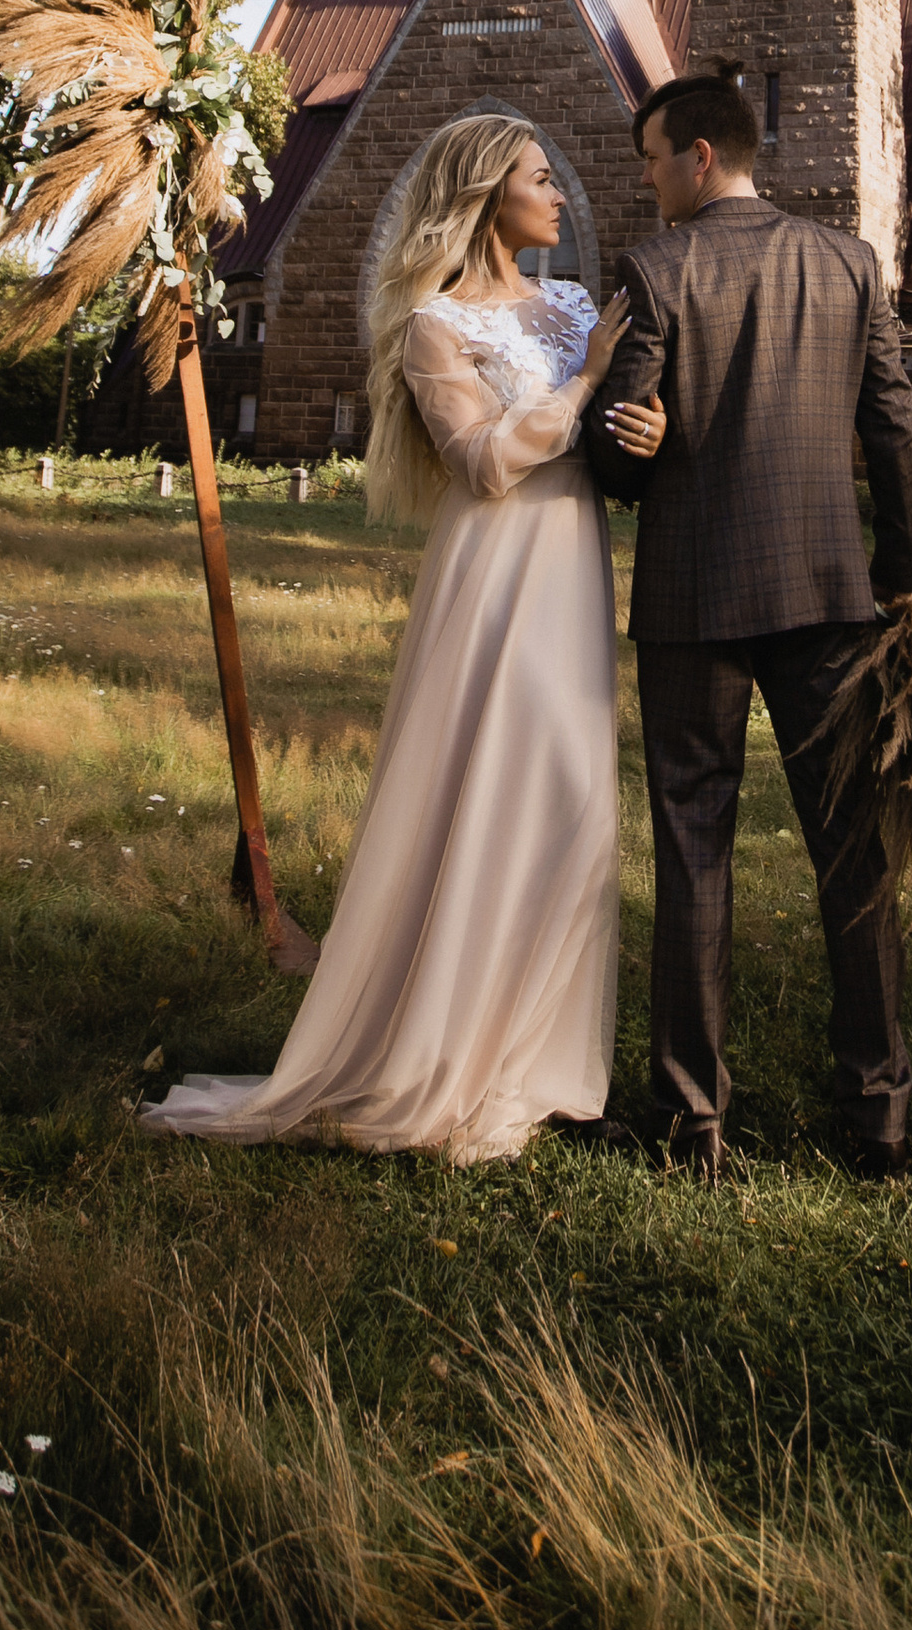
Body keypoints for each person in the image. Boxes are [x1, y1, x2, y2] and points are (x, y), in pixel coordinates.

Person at [141, 114, 663, 1165]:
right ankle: (438, 1046)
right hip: (495, 573)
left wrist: (636, 423)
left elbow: (604, 434)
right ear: (482, 196)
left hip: (571, 566)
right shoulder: (435, 325)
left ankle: (539, 1051)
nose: (558, 193)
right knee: (486, 787)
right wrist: (581, 382)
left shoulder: (569, 305)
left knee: (569, 797)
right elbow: (479, 461)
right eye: (536, 176)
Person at [580, 66, 912, 1182]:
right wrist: (898, 576)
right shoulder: (849, 262)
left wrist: (621, 445)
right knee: (852, 853)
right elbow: (893, 426)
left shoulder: (656, 269)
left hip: (692, 603)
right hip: (830, 599)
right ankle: (877, 1114)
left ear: (700, 157)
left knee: (693, 856)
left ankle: (694, 1126)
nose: (643, 178)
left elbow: (615, 458)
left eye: (649, 157)